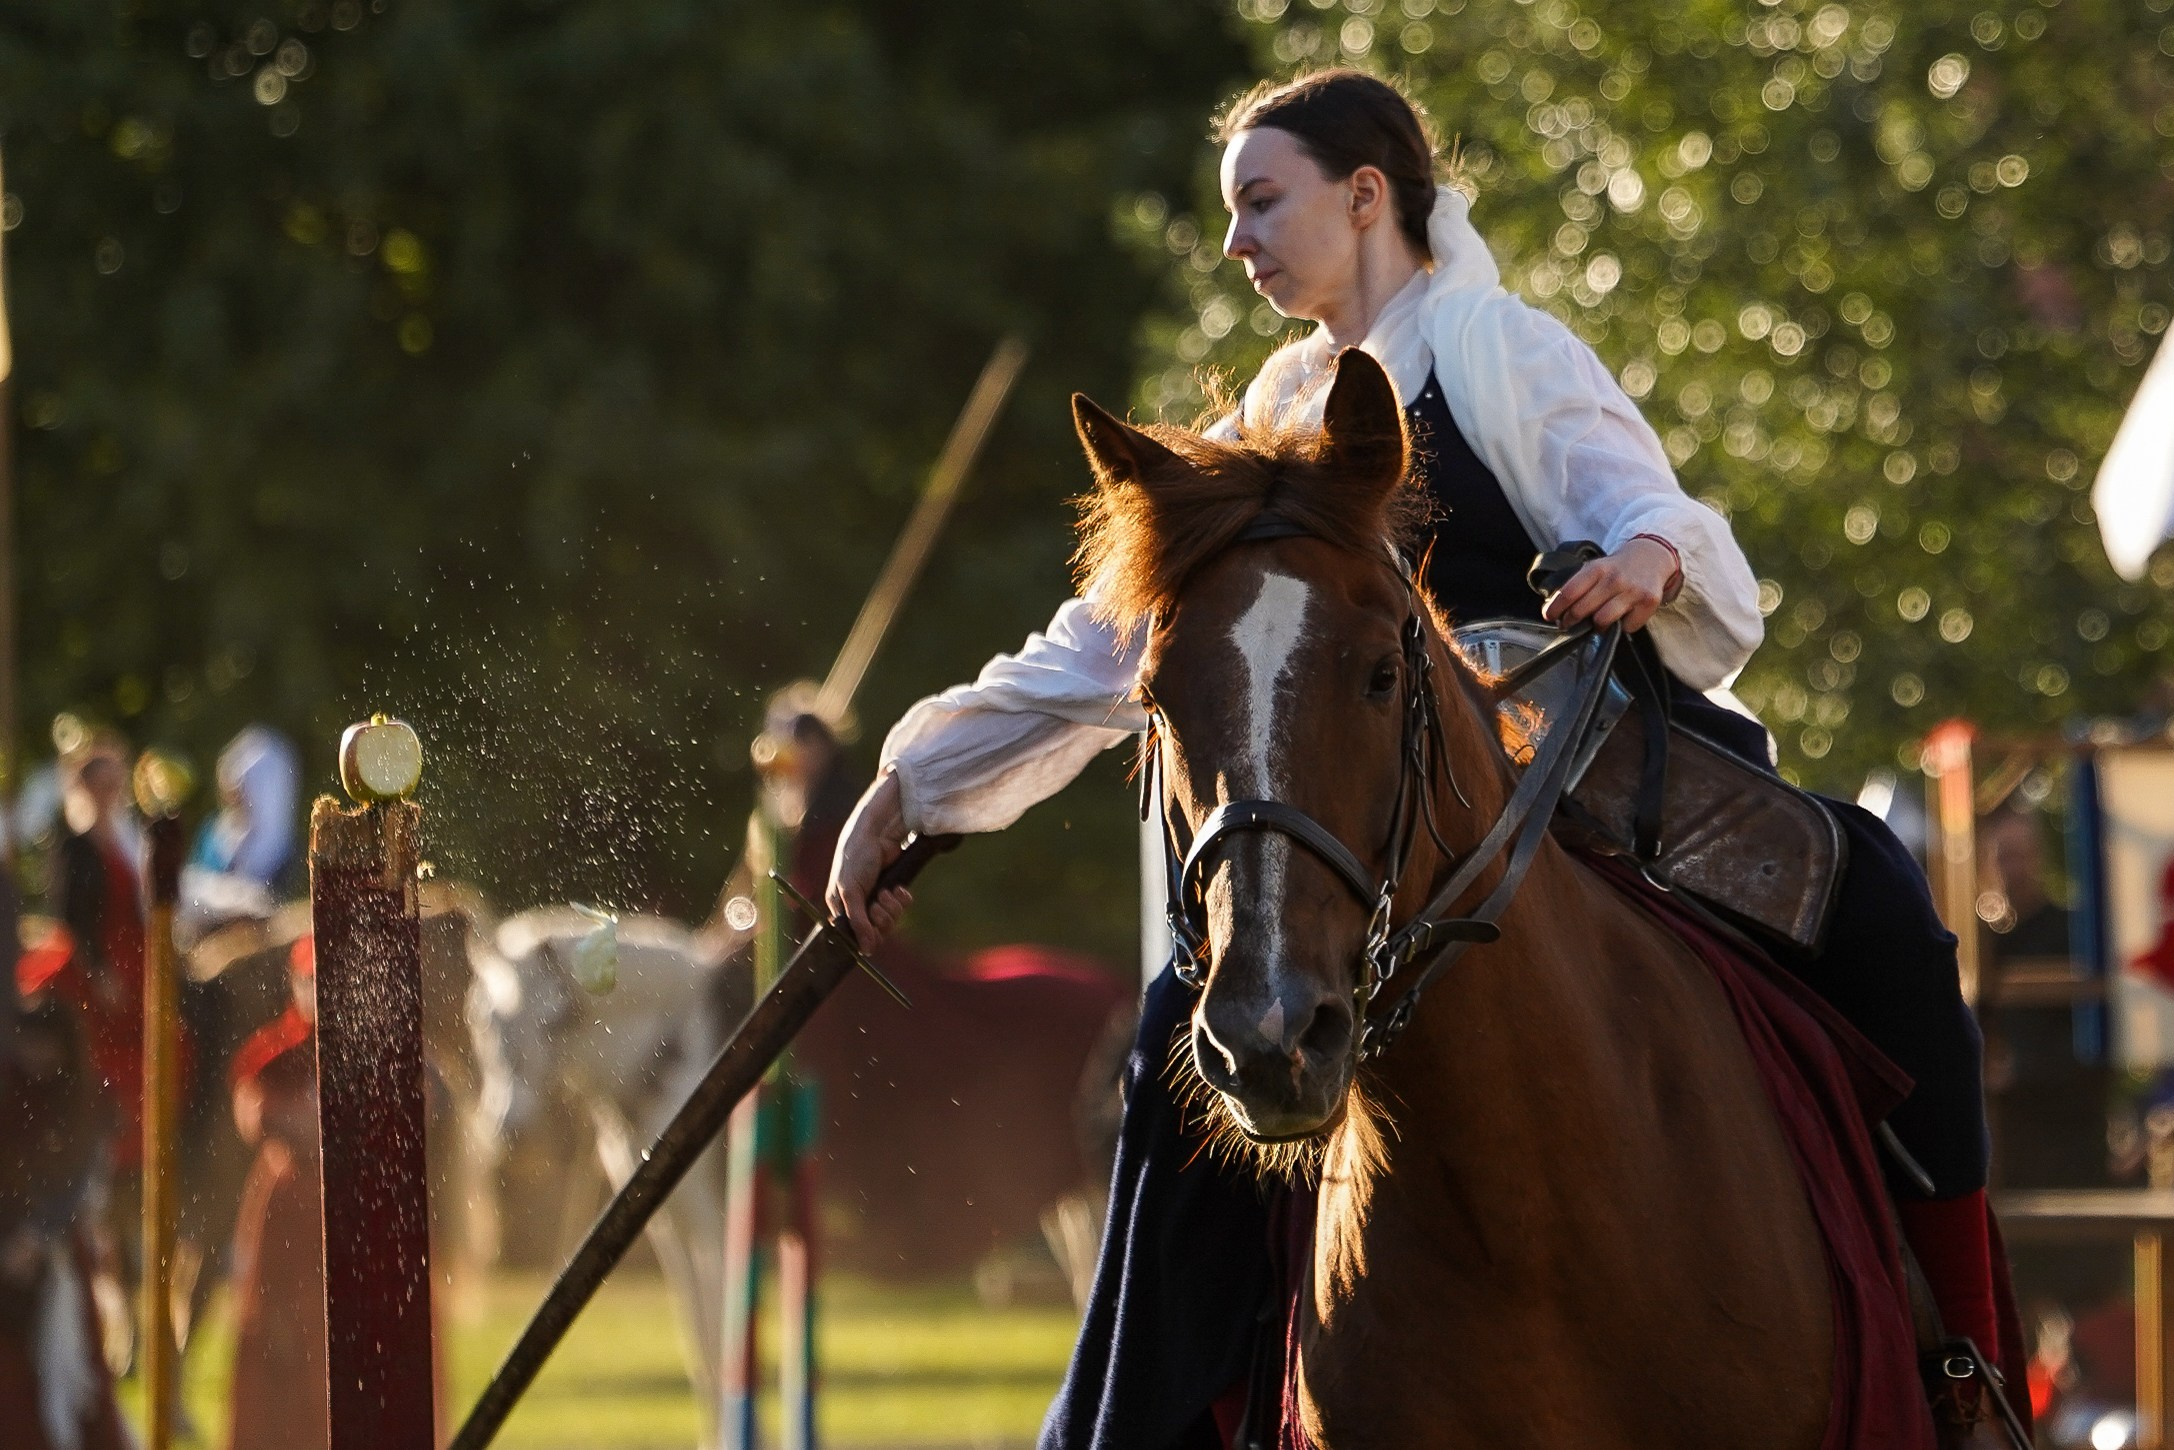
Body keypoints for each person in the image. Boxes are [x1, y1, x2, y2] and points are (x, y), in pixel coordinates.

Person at [828, 69, 1999, 1448]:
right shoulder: (1266, 419)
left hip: (1577, 764)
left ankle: (1968, 1366)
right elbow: (1096, 657)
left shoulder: (1498, 348)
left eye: (1261, 201)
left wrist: (1646, 555)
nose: (1236, 241)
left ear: (1364, 194)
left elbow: (1671, 528)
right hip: (1358, 812)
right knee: (1176, 1044)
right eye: (1232, 212)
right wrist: (909, 786)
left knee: (1879, 906)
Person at [223, 935, 327, 1450]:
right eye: (312, 982)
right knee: (279, 1332)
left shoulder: (374, 1044)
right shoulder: (277, 1051)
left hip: (345, 1209)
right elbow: (256, 1112)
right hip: (291, 1207)